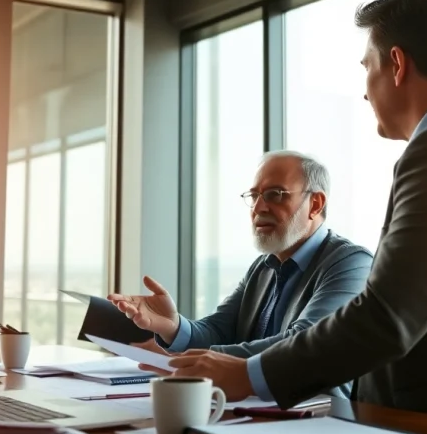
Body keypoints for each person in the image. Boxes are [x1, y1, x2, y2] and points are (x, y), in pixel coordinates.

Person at [160, 0, 427, 434]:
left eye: (367, 68)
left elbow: (385, 318)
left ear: (396, 65)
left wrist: (248, 375)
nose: (364, 91)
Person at [108, 151, 372, 396]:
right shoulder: (262, 267)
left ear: (315, 203)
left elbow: (303, 344)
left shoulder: (351, 264)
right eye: (254, 196)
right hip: (256, 412)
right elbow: (219, 331)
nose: (259, 208)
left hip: (319, 417)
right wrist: (174, 327)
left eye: (275, 194)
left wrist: (196, 360)